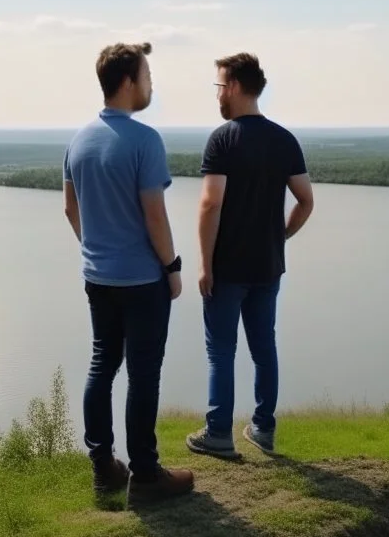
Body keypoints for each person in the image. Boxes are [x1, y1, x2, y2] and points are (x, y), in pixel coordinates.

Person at [63, 41, 194, 503]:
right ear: (127, 81)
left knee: (102, 365)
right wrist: (172, 267)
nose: (151, 84)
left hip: (98, 278)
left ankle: (104, 468)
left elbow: (71, 209)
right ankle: (146, 476)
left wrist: (98, 250)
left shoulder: (79, 140)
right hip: (142, 281)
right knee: (143, 375)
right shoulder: (144, 140)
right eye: (147, 76)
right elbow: (155, 215)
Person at [186, 53, 315, 459]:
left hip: (227, 268)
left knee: (221, 351)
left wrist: (204, 264)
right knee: (264, 348)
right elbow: (306, 201)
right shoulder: (284, 139)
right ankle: (263, 429)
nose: (217, 96)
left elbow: (211, 204)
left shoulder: (223, 139)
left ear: (236, 87)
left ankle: (218, 434)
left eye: (219, 87)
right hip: (267, 267)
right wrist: (280, 237)